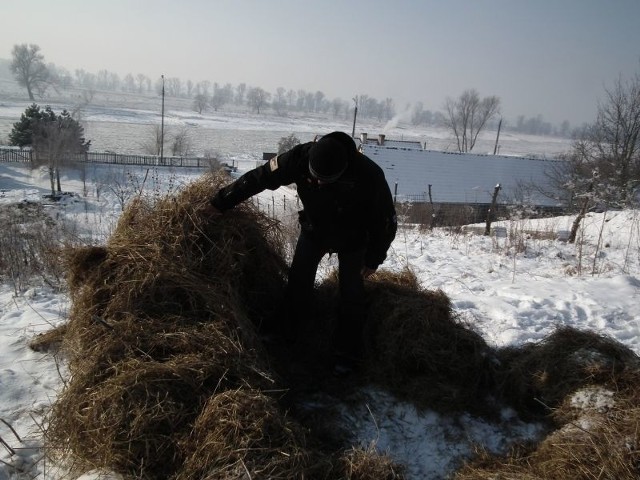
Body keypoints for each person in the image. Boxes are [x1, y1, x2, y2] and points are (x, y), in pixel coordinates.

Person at [210, 131, 397, 360]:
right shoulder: (298, 158)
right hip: (314, 231)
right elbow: (259, 177)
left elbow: (386, 221)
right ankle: (287, 335)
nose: (318, 183)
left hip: (354, 239)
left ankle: (345, 353)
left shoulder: (369, 175)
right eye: (314, 177)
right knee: (298, 284)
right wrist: (220, 203)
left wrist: (374, 258)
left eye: (326, 180)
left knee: (351, 295)